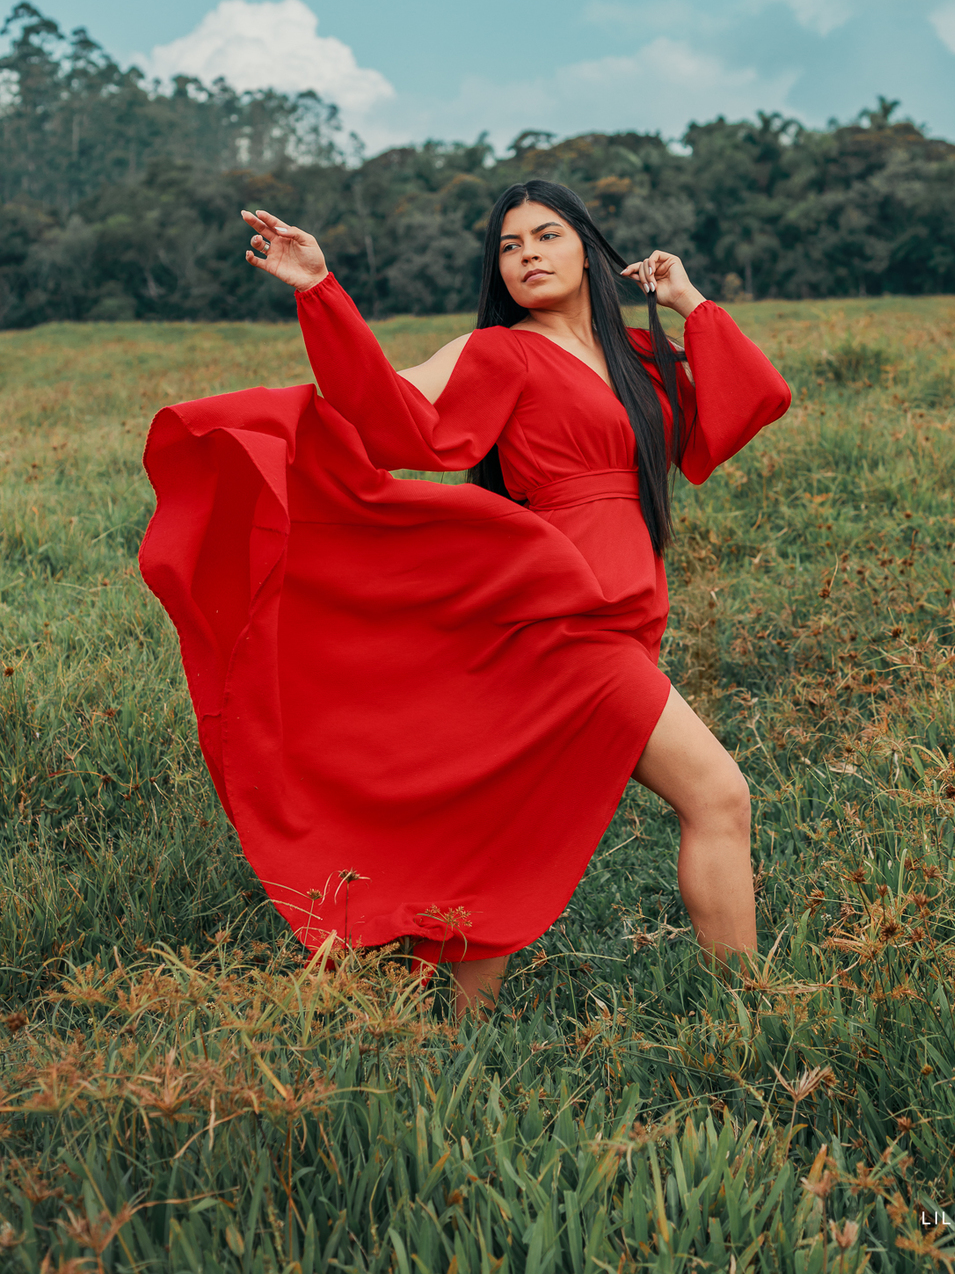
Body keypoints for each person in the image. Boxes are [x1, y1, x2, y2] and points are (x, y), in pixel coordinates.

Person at [140, 179, 791, 1013]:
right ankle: (748, 1012)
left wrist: (690, 301)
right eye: (509, 247)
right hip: (565, 617)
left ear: (589, 249)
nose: (527, 256)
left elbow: (749, 404)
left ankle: (461, 1040)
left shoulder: (637, 360)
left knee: (503, 833)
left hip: (630, 614)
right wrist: (321, 293)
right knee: (719, 794)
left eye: (546, 236)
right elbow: (394, 418)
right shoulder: (497, 353)